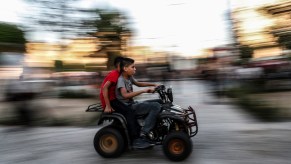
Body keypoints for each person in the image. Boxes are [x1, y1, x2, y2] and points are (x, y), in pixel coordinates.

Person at [99, 56, 150, 149]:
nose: (123, 67)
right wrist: (107, 106)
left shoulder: (123, 75)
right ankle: (135, 139)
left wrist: (153, 85)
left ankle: (141, 133)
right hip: (110, 100)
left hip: (115, 99)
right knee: (129, 111)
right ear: (119, 66)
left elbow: (138, 83)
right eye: (121, 65)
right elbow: (105, 88)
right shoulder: (114, 74)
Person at [116, 57, 161, 145]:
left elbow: (138, 83)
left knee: (159, 102)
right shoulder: (121, 80)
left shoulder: (129, 77)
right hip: (128, 106)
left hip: (132, 103)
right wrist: (143, 91)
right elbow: (125, 95)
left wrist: (155, 84)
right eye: (133, 67)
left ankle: (156, 128)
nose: (135, 69)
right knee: (155, 106)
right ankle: (144, 132)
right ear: (125, 68)